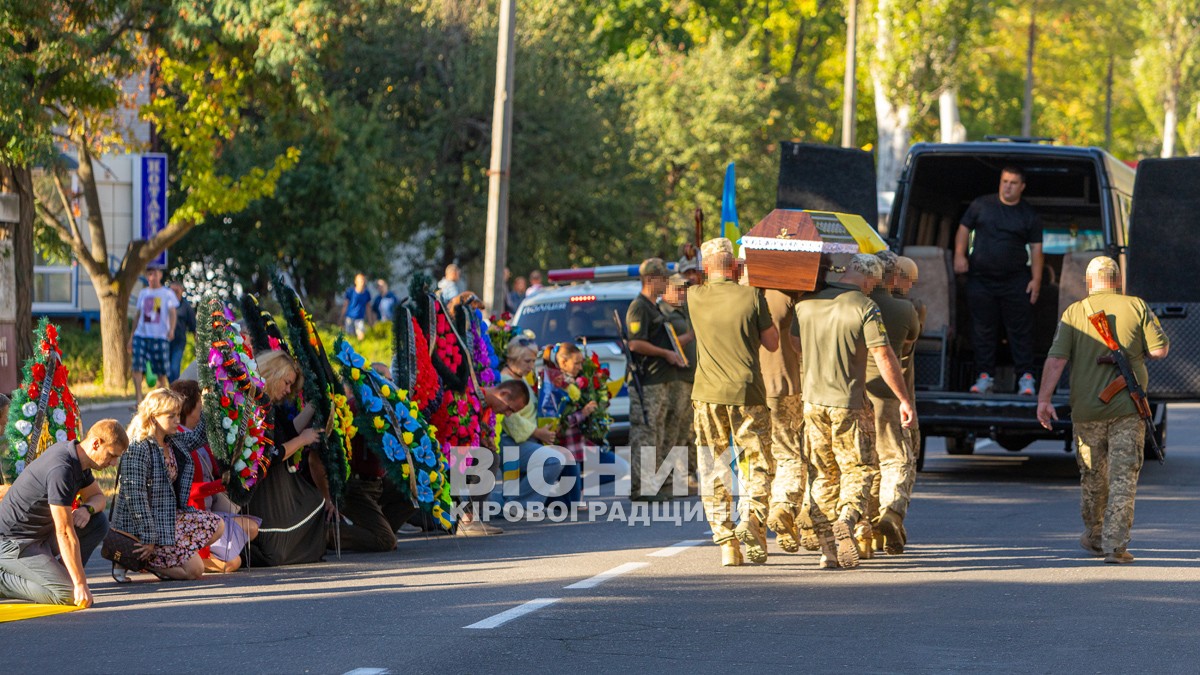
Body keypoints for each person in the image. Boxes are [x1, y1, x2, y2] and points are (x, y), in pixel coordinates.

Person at [1037, 256, 1169, 565]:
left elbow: (1056, 361)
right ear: (1118, 281)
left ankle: (1095, 535)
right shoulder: (1137, 306)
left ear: (1088, 283)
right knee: (1123, 477)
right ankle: (1115, 546)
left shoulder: (1074, 311)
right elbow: (1159, 350)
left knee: (1093, 477)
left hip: (1085, 411)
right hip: (1127, 409)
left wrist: (1043, 400)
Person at [793, 254, 915, 570]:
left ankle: (827, 552)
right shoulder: (864, 306)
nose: (872, 288)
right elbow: (884, 355)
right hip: (847, 401)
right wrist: (903, 398)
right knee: (858, 468)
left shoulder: (805, 304)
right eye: (872, 284)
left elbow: (795, 343)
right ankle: (847, 518)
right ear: (867, 280)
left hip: (812, 401)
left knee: (821, 472)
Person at [688, 238, 778, 567]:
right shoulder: (753, 296)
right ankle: (752, 520)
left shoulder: (693, 296)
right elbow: (771, 343)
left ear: (706, 269)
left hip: (707, 394)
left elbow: (671, 286)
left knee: (714, 466)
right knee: (756, 462)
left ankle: (726, 543)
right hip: (747, 393)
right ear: (736, 267)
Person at [0, 420, 127, 606]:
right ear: (96, 443)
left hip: (41, 535)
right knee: (68, 595)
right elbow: (65, 532)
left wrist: (86, 509)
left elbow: (98, 498)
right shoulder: (62, 468)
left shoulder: (77, 458)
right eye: (111, 455)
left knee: (98, 521)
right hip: (14, 543)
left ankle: (63, 575)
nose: (114, 463)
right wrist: (80, 583)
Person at [112, 389, 224, 581]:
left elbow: (198, 437)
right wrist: (148, 538)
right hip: (144, 528)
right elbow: (135, 499)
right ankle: (141, 560)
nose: (177, 421)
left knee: (217, 525)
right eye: (171, 416)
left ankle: (167, 557)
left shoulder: (171, 441)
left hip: (168, 520)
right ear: (154, 417)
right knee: (195, 571)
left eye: (178, 415)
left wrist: (208, 404)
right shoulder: (138, 448)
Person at [954, 166, 1044, 396]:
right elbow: (964, 228)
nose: (1007, 186)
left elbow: (1036, 250)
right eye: (1004, 181)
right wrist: (959, 254)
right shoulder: (981, 205)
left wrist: (1036, 280)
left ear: (1022, 186)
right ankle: (985, 377)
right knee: (982, 329)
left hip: (1016, 281)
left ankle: (1026, 378)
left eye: (1013, 182)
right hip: (981, 280)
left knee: (1021, 331)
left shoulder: (1028, 214)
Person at [244, 350, 327, 566]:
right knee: (276, 548)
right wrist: (303, 440)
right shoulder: (256, 406)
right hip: (266, 489)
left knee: (315, 500)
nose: (288, 390)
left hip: (278, 482)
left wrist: (313, 407)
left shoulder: (270, 405)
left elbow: (287, 430)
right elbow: (271, 454)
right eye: (287, 383)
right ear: (273, 374)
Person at [863, 251, 922, 556]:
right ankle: (892, 513)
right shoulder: (904, 310)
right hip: (889, 396)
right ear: (894, 277)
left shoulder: (853, 305)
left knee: (865, 464)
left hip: (857, 393)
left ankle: (865, 534)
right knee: (898, 459)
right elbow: (910, 342)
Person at [170, 380, 260, 573]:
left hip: (210, 509)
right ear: (188, 408)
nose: (203, 411)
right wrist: (220, 485)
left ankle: (201, 557)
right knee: (232, 564)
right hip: (193, 514)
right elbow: (185, 492)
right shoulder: (178, 439)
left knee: (252, 528)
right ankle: (187, 559)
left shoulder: (195, 434)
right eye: (200, 405)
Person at [626, 258, 687, 500]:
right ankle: (641, 487)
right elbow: (635, 343)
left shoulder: (654, 307)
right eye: (663, 278)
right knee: (645, 434)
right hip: (647, 381)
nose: (666, 283)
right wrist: (666, 354)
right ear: (651, 279)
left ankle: (655, 484)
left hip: (660, 381)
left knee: (657, 433)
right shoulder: (639, 307)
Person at [757, 285, 806, 554]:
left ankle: (757, 521)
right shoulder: (788, 295)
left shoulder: (744, 293)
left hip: (752, 389)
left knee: (758, 459)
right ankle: (784, 508)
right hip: (784, 386)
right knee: (790, 455)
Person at [493, 340, 565, 507]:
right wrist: (538, 433)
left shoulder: (519, 378)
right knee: (554, 460)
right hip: (511, 441)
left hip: (522, 441)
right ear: (512, 359)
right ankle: (519, 505)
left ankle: (507, 505)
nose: (531, 366)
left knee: (511, 492)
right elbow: (510, 417)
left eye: (533, 361)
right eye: (527, 361)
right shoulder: (505, 380)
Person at [658, 275, 698, 493]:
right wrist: (690, 336)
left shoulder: (685, 310)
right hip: (676, 378)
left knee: (688, 430)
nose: (682, 294)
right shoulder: (663, 312)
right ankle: (667, 478)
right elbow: (666, 343)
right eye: (678, 290)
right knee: (673, 429)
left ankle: (686, 475)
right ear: (666, 290)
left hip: (693, 376)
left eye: (684, 290)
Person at [128, 264, 179, 403]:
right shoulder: (144, 293)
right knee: (137, 367)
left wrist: (172, 329)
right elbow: (138, 315)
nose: (152, 277)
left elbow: (172, 313)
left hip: (160, 336)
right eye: (149, 274)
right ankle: (138, 398)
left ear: (160, 275)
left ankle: (159, 399)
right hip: (141, 335)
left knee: (161, 372)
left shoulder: (167, 293)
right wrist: (132, 337)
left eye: (154, 274)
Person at [168, 282, 195, 383]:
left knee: (174, 367)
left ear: (181, 290)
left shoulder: (186, 307)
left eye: (176, 290)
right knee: (165, 369)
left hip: (178, 342)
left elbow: (193, 326)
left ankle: (174, 390)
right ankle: (171, 388)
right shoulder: (165, 304)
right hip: (165, 341)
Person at [342, 273, 373, 340]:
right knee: (350, 337)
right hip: (350, 318)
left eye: (363, 281)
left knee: (361, 336)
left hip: (360, 318)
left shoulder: (367, 293)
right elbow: (345, 305)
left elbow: (368, 308)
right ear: (355, 282)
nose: (361, 283)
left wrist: (370, 320)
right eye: (360, 281)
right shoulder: (350, 292)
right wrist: (341, 317)